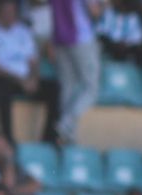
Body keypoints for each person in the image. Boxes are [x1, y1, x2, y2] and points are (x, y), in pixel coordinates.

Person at [0, 0, 59, 143]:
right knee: (1, 89)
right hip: (5, 78)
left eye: (12, 12)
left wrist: (33, 79)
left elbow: (33, 61)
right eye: (6, 12)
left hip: (26, 79)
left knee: (55, 89)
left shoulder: (23, 31)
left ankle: (49, 139)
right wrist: (20, 80)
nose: (10, 15)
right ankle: (8, 138)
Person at [48, 0, 102, 146]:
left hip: (59, 39)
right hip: (80, 38)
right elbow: (95, 12)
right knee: (92, 88)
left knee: (68, 88)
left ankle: (68, 138)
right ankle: (66, 124)